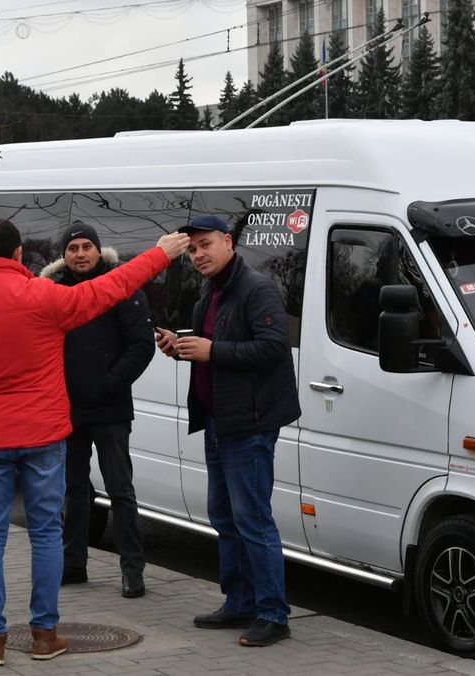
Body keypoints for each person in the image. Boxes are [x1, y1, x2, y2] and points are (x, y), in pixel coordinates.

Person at [0, 219, 188, 666]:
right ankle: (45, 635)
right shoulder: (45, 297)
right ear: (16, 255)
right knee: (46, 531)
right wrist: (160, 253)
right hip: (44, 433)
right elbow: (111, 287)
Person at [154, 214, 301, 648]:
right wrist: (179, 349)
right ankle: (239, 603)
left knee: (252, 518)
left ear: (228, 243)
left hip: (249, 425)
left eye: (206, 245)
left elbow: (274, 348)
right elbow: (209, 353)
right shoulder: (210, 291)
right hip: (218, 421)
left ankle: (273, 614)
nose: (198, 255)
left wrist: (212, 349)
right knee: (224, 516)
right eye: (193, 248)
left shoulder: (256, 288)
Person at [40, 222, 154, 597]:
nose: (80, 254)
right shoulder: (52, 291)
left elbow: (141, 347)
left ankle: (132, 569)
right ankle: (73, 565)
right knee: (72, 492)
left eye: (87, 246)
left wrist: (109, 383)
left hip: (110, 409)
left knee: (120, 490)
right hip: (65, 410)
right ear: (64, 255)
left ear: (98, 250)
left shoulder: (122, 287)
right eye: (73, 248)